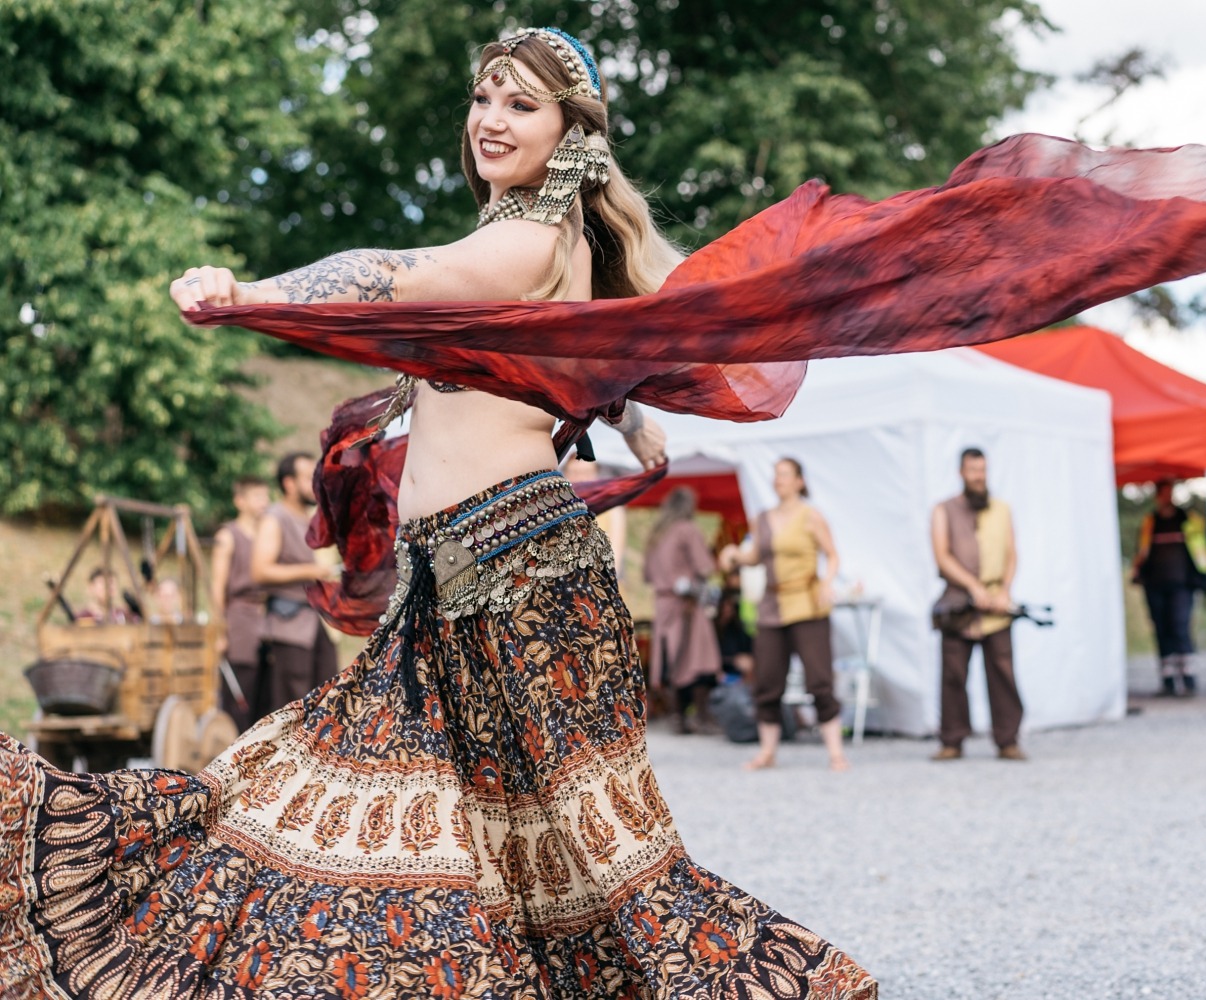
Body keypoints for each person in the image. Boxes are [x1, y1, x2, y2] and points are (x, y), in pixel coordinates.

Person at [0, 29, 875, 999]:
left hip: (517, 582)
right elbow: (566, 351)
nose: (491, 120)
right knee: (461, 847)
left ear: (572, 132)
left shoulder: (526, 239)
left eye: (521, 104)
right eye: (484, 97)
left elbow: (396, 276)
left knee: (567, 857)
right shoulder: (561, 247)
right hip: (455, 580)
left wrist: (251, 293)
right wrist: (624, 409)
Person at [722, 458, 850, 772]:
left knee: (819, 679)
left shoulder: (811, 517)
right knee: (767, 681)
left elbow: (832, 555)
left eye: (784, 475)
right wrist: (735, 555)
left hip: (806, 604)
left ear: (799, 481)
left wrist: (827, 582)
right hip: (772, 607)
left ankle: (835, 752)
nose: (778, 480)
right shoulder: (763, 519)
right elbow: (754, 556)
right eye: (775, 475)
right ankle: (768, 752)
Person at [930, 447, 1026, 761]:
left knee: (1002, 671)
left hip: (997, 605)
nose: (978, 476)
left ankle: (1008, 739)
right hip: (958, 604)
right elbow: (942, 556)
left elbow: (1012, 553)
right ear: (962, 472)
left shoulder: (1001, 509)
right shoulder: (943, 510)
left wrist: (1005, 591)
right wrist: (972, 587)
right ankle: (952, 740)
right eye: (972, 470)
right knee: (953, 673)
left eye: (982, 470)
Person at [252, 452, 342, 712]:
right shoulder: (275, 518)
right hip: (289, 626)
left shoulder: (315, 518)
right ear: (289, 483)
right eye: (307, 478)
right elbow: (260, 570)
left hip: (321, 623)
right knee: (292, 707)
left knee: (328, 702)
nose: (316, 483)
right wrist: (309, 570)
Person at [642, 486, 721, 733]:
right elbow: (705, 567)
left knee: (670, 658)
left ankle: (678, 717)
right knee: (697, 660)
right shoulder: (687, 530)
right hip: (687, 604)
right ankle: (701, 716)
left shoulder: (657, 534)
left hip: (662, 603)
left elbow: (647, 574)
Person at [1132, 479, 1206, 696]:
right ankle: (1167, 681)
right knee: (1161, 630)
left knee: (1179, 627)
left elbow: (1201, 549)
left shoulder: (1188, 520)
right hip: (1155, 584)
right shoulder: (1151, 521)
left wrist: (1202, 576)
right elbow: (1142, 550)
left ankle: (1188, 679)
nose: (1167, 497)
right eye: (1163, 493)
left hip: (1182, 585)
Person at [210, 475, 272, 730]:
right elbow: (217, 586)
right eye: (257, 496)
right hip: (239, 618)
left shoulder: (268, 534)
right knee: (239, 691)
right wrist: (220, 630)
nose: (264, 502)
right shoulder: (228, 535)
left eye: (266, 496)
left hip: (267, 616)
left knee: (265, 691)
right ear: (240, 501)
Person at [72, 566, 137, 625]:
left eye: (111, 582)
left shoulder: (123, 614)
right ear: (91, 587)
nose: (108, 587)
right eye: (102, 583)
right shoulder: (84, 617)